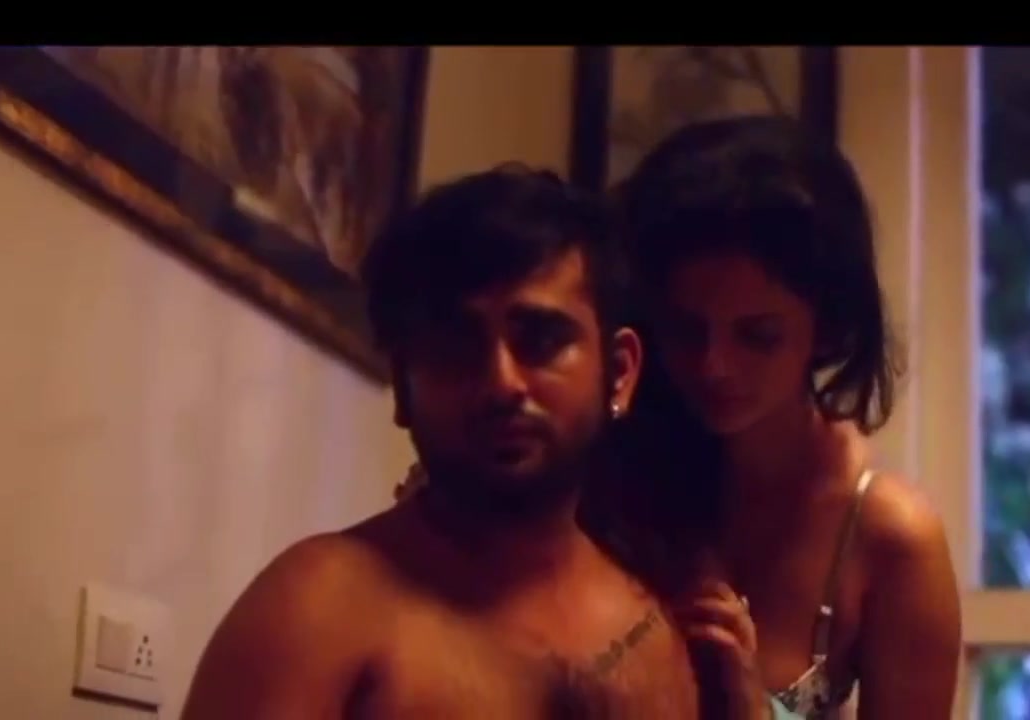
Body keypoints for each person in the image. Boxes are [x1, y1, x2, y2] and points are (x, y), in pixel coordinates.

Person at [180, 165, 707, 718]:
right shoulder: (316, 612)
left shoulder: (661, 628)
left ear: (619, 374)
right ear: (403, 387)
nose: (502, 381)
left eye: (541, 340)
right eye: (455, 346)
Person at [611, 115, 963, 719]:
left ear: (826, 328)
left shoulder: (890, 539)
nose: (714, 366)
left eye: (758, 336)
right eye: (687, 330)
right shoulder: (616, 475)